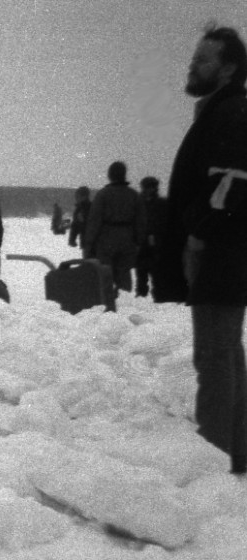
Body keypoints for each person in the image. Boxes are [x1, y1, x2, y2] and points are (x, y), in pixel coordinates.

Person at [155, 25, 247, 475]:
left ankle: (214, 459)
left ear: (228, 69)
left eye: (203, 60)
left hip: (220, 251)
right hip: (225, 249)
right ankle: (236, 450)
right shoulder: (221, 111)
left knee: (214, 354)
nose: (192, 66)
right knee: (226, 351)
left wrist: (198, 235)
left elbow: (229, 184)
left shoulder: (230, 113)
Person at [84, 161, 146, 293]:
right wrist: (139, 242)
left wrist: (88, 245)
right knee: (124, 273)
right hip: (128, 239)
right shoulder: (134, 195)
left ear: (109, 175)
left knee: (105, 274)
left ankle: (108, 302)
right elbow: (141, 222)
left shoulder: (103, 195)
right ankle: (124, 302)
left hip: (106, 240)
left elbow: (94, 222)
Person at [134, 176, 168, 298]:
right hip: (147, 241)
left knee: (151, 271)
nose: (149, 190)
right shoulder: (159, 203)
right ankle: (144, 294)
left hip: (152, 242)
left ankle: (149, 294)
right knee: (144, 271)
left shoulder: (159, 204)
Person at [68, 186, 92, 253]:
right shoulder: (93, 207)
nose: (75, 198)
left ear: (84, 197)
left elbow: (75, 225)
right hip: (93, 241)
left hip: (88, 242)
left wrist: (72, 239)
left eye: (77, 196)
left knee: (89, 261)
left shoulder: (81, 209)